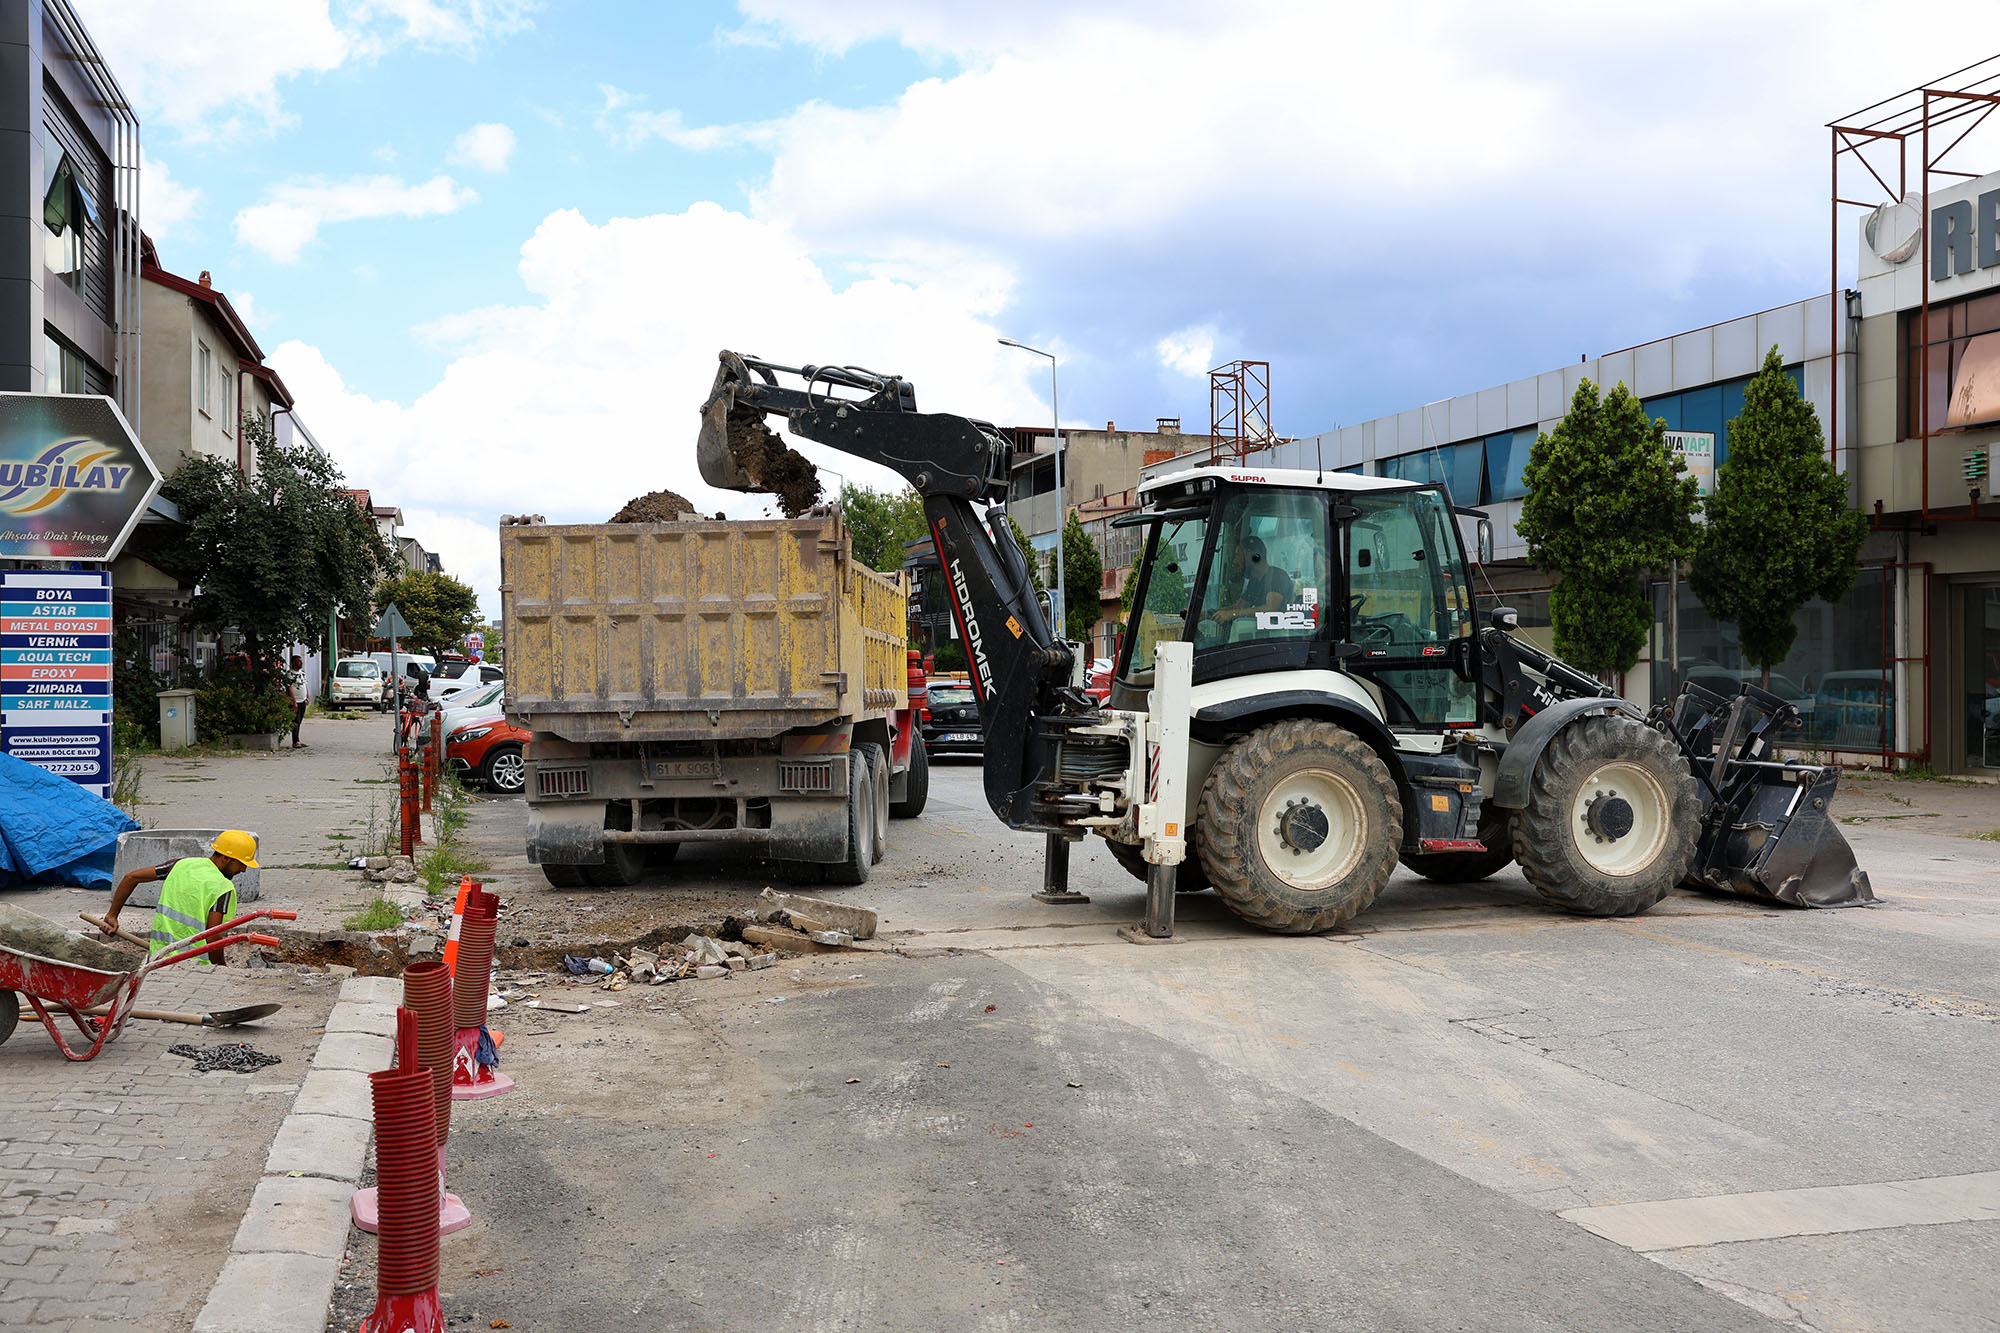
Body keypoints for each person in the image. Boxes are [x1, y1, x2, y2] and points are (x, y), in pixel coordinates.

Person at [100, 831, 258, 965]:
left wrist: (112, 915)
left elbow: (131, 877)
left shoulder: (181, 865)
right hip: (195, 966)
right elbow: (213, 936)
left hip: (158, 958)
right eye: (241, 863)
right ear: (225, 858)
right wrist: (221, 968)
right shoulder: (222, 887)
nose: (243, 870)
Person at [286, 655, 311, 748]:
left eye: (301, 661)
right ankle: (295, 741)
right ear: (293, 662)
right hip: (295, 701)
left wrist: (307, 697)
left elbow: (305, 685)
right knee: (295, 721)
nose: (301, 663)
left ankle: (297, 740)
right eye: (298, 661)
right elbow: (289, 688)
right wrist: (293, 701)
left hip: (302, 700)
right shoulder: (290, 674)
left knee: (299, 721)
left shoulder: (302, 673)